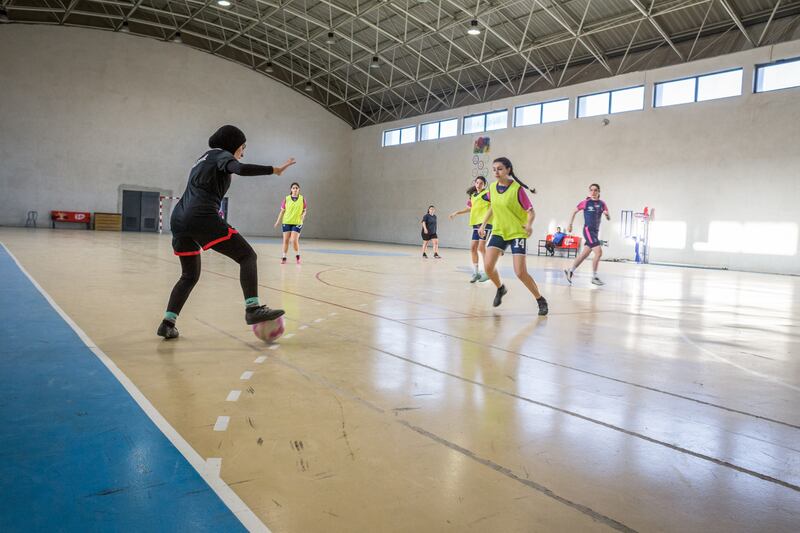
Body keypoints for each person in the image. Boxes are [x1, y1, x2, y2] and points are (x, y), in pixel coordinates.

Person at [157, 125, 296, 339]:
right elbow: (239, 168)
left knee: (189, 275)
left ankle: (168, 322)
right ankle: (253, 309)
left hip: (179, 219)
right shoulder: (222, 155)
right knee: (247, 256)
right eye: (243, 147)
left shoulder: (203, 158)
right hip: (201, 216)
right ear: (234, 146)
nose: (243, 152)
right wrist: (273, 169)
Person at [478, 157, 548, 316]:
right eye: (494, 169)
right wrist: (483, 224)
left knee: (520, 272)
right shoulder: (493, 188)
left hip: (516, 232)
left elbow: (531, 211)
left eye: (500, 168)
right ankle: (500, 288)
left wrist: (529, 225)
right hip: (498, 231)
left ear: (508, 170)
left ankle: (540, 299)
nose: (496, 172)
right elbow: (493, 207)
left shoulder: (517, 189)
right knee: (488, 267)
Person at [564, 183, 610, 286]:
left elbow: (607, 215)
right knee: (599, 252)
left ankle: (570, 271)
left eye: (595, 190)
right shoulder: (585, 202)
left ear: (599, 192)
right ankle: (594, 277)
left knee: (584, 254)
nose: (593, 192)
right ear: (589, 192)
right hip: (588, 231)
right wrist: (570, 224)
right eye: (591, 190)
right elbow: (574, 212)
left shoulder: (602, 204)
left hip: (595, 232)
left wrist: (607, 215)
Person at [449, 176, 492, 282]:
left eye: (481, 183)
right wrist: (457, 212)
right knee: (473, 248)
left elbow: (494, 206)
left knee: (481, 248)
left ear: (484, 184)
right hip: (476, 225)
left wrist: (485, 223)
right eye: (477, 183)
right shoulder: (473, 196)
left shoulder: (487, 194)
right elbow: (469, 208)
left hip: (486, 224)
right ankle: (476, 273)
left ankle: (488, 272)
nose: (478, 185)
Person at [274, 182, 306, 264]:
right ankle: (284, 257)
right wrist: (278, 221)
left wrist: (303, 215)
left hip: (297, 222)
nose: (295, 189)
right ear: (291, 189)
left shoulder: (302, 199)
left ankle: (298, 256)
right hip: (287, 221)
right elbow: (282, 211)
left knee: (294, 240)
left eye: (297, 188)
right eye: (293, 188)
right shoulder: (286, 199)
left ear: (299, 189)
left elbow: (305, 210)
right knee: (286, 240)